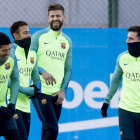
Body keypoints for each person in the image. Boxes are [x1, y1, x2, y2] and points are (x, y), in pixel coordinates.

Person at [30, 4, 72, 140]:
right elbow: (28, 60)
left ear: (63, 17)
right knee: (53, 129)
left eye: (58, 16)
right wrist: (42, 71)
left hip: (57, 95)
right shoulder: (38, 37)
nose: (55, 18)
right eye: (52, 16)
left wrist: (63, 90)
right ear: (48, 18)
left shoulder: (67, 41)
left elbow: (68, 69)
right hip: (40, 91)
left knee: (47, 131)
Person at [101, 26, 140, 140]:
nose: (127, 41)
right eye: (127, 38)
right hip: (126, 110)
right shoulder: (122, 58)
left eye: (131, 39)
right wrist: (106, 101)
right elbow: (116, 80)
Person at [8, 21, 41, 140]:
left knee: (24, 137)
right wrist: (27, 90)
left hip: (26, 105)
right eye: (25, 33)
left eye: (29, 32)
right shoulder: (10, 53)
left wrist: (36, 89)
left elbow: (36, 78)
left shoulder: (33, 54)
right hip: (11, 103)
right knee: (20, 136)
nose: (29, 35)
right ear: (15, 36)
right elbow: (6, 80)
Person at [0, 32, 20, 140]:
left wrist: (12, 103)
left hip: (2, 108)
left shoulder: (11, 56)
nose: (8, 53)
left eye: (9, 48)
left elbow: (15, 79)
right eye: (4, 50)